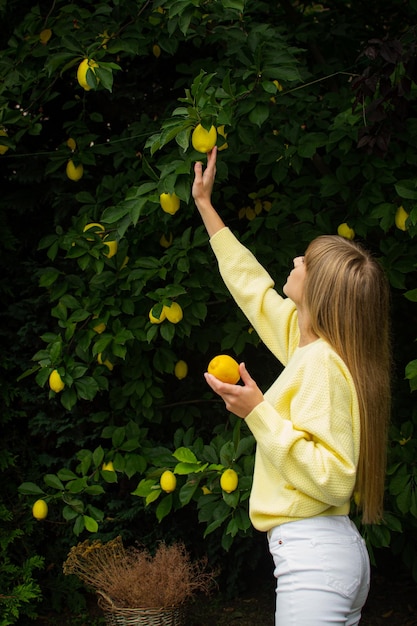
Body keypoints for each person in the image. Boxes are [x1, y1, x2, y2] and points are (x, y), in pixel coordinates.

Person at [192, 147, 391, 625]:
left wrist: (258, 412)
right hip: (322, 551)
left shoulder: (322, 363)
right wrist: (205, 205)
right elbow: (252, 288)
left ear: (318, 290)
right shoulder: (309, 347)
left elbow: (335, 473)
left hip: (314, 555)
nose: (297, 258)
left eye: (307, 261)